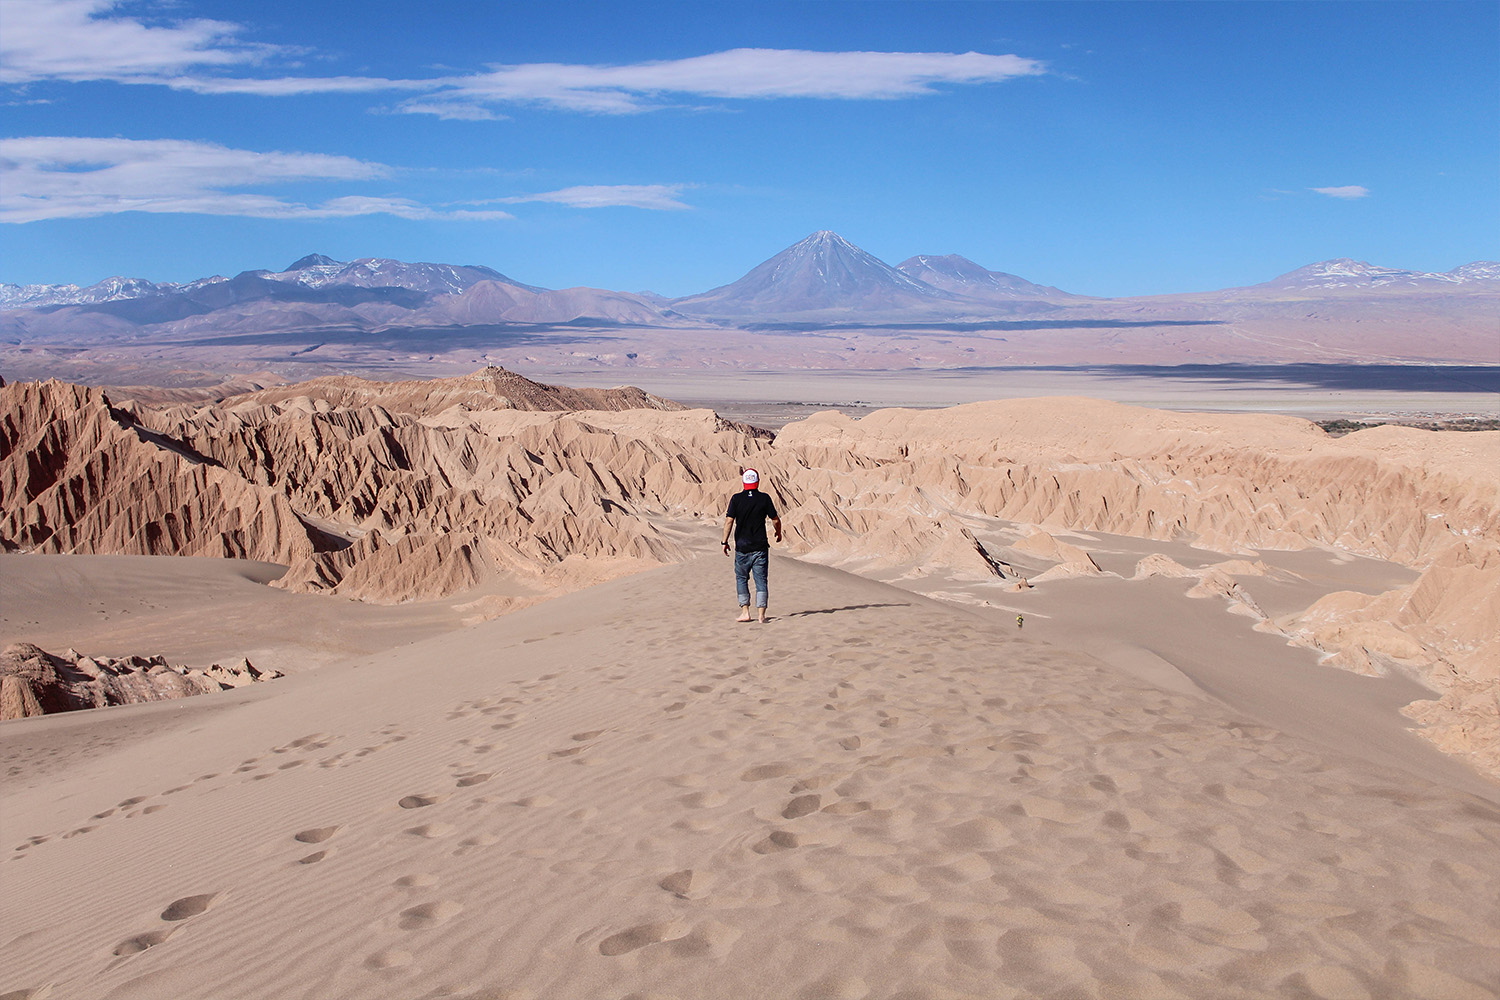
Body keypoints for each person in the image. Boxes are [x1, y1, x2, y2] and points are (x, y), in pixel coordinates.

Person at [722, 468, 782, 623]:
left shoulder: (736, 499)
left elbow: (729, 521)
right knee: (761, 580)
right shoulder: (764, 498)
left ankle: (745, 612)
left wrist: (724, 541)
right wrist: (778, 532)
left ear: (743, 482)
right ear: (758, 482)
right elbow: (775, 519)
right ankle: (761, 615)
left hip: (742, 548)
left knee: (741, 579)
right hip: (760, 547)